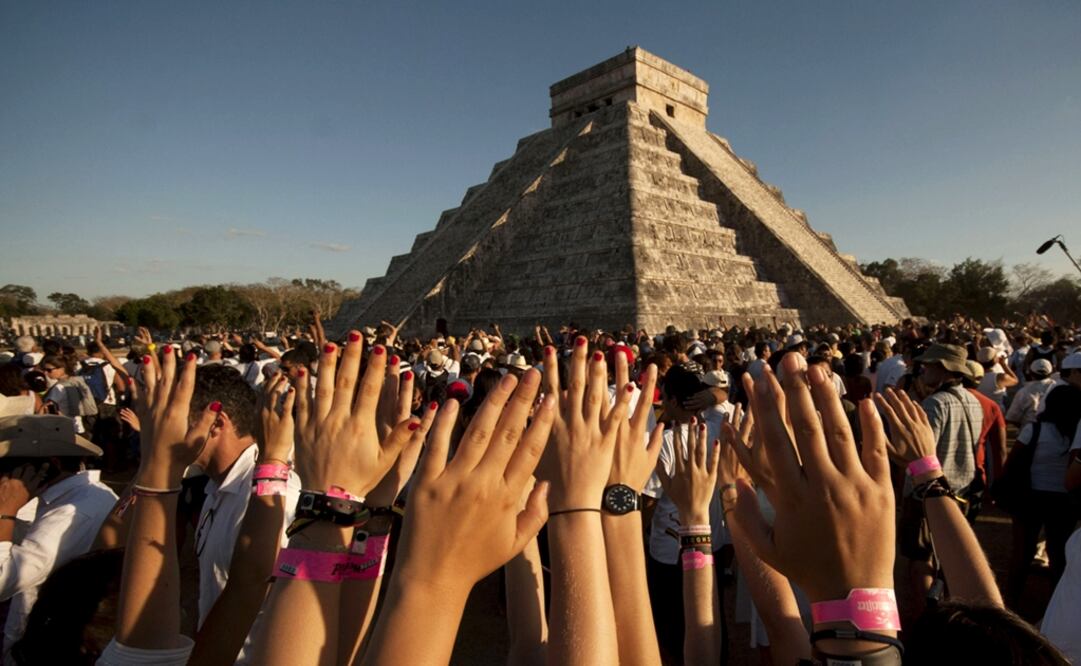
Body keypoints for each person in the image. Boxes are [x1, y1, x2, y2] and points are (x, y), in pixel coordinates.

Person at [0, 414, 117, 658]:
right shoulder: (76, 497)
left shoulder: (71, 512)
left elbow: (3, 580)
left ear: (47, 465)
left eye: (8, 468)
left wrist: (5, 513)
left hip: (50, 647)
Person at [1004, 384, 1081, 607]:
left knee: (1022, 552)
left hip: (1031, 498)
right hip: (1063, 501)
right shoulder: (1075, 435)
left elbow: (1013, 461)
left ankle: (1011, 602)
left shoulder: (1033, 430)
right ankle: (1055, 604)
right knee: (1058, 555)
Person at [1005, 358, 1056, 427]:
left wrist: (1025, 427)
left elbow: (1012, 418)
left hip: (1030, 433)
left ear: (1031, 373)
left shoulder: (1024, 391)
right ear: (1051, 373)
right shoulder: (1058, 387)